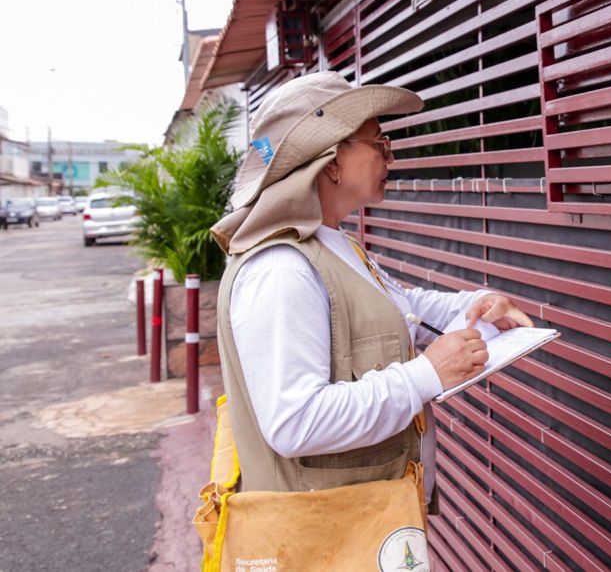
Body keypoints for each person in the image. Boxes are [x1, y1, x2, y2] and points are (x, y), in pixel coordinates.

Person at [209, 71, 532, 508]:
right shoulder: (281, 270)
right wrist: (426, 374)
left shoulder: (331, 245)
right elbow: (295, 421)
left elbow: (401, 306)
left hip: (368, 526)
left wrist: (477, 303)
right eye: (379, 144)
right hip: (326, 540)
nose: (390, 157)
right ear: (332, 160)